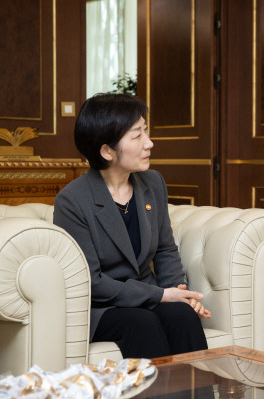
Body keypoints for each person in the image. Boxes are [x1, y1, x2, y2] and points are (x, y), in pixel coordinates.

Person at [54, 93, 210, 359]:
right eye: (137, 136)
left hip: (146, 296)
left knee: (183, 316)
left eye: (145, 131)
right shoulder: (72, 201)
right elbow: (91, 281)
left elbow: (164, 249)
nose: (149, 143)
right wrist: (161, 295)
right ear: (107, 151)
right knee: (143, 324)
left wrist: (181, 294)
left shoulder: (153, 183)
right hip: (103, 307)